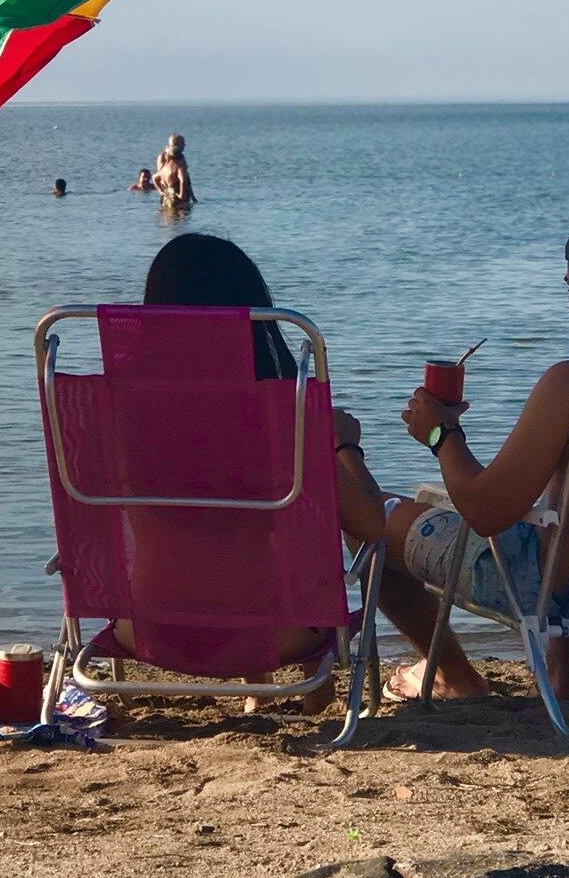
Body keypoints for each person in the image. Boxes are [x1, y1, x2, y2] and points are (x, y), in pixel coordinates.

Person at [336, 204, 569, 705]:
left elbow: (485, 511)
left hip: (558, 588)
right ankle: (564, 679)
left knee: (369, 516)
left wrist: (441, 436)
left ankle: (455, 675)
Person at [112, 233, 386, 713]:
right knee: (303, 530)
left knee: (209, 536)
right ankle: (310, 692)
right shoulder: (279, 412)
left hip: (146, 629)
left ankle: (256, 691)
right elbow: (371, 525)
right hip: (275, 636)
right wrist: (340, 441)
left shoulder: (120, 410)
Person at [153, 134, 197, 211]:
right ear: (176, 144)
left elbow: (186, 177)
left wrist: (192, 196)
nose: (185, 145)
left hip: (171, 193)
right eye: (183, 143)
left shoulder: (180, 156)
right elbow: (182, 179)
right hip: (172, 192)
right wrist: (162, 191)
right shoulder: (164, 157)